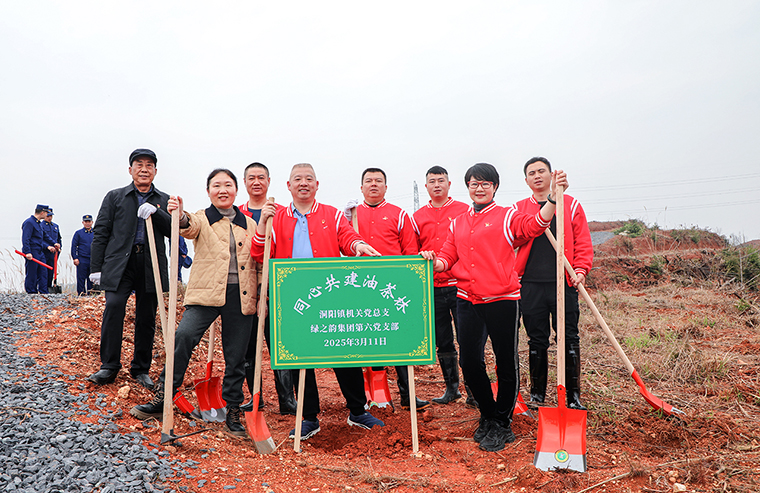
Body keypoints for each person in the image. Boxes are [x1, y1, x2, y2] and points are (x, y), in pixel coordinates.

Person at [420, 162, 567, 452]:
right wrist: (433, 261)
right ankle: (487, 413)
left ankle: (502, 421)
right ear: (468, 188)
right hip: (467, 299)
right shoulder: (458, 222)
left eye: (485, 183)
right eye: (474, 184)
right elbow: (447, 257)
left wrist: (552, 198)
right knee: (469, 362)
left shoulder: (506, 216)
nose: (479, 188)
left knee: (505, 362)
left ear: (494, 187)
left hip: (502, 300)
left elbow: (536, 225)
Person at [252, 163, 384, 440]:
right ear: (288, 186)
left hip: (330, 296)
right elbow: (258, 253)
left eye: (309, 179)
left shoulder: (331, 214)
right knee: (301, 357)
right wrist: (262, 223)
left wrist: (358, 245)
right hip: (293, 299)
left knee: (344, 350)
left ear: (317, 184)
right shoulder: (277, 218)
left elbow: (348, 238)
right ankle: (309, 417)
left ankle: (357, 410)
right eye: (298, 179)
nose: (303, 183)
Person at [131, 168, 258, 437]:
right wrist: (179, 214)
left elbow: (258, 259)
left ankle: (232, 409)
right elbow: (188, 226)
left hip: (241, 296)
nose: (222, 190)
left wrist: (262, 297)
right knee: (184, 336)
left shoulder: (250, 224)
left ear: (236, 190)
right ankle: (165, 395)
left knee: (236, 356)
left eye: (228, 185)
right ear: (208, 191)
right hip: (206, 294)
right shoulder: (203, 218)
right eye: (216, 186)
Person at [344, 167, 430, 411]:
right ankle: (371, 393)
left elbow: (410, 252)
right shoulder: (351, 216)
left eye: (378, 181)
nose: (373, 184)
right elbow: (342, 247)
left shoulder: (399, 214)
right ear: (361, 187)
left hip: (391, 288)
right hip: (361, 287)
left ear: (385, 186)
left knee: (398, 336)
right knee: (367, 335)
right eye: (369, 181)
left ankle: (407, 394)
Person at [513, 157, 593, 410]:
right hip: (530, 284)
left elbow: (582, 242)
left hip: (564, 281)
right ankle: (537, 395)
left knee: (569, 337)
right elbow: (513, 239)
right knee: (536, 339)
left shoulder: (571, 205)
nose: (537, 176)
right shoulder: (518, 209)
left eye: (541, 171)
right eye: (531, 173)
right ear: (526, 180)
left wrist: (580, 270)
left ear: (551, 175)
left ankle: (573, 396)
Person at [87, 149, 170, 390]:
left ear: (155, 171)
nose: (144, 169)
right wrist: (96, 268)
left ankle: (141, 369)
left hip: (150, 263)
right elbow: (101, 232)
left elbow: (172, 230)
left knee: (146, 316)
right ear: (130, 169)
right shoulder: (115, 197)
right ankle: (109, 365)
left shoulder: (164, 199)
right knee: (113, 307)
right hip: (120, 264)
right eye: (139, 164)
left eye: (149, 165)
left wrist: (158, 212)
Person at [238, 162, 296, 416]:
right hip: (246, 287)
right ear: (244, 182)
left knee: (279, 344)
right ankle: (255, 396)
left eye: (261, 177)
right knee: (249, 345)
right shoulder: (238, 214)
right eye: (251, 178)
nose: (256, 182)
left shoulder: (281, 212)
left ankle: (287, 399)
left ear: (269, 181)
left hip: (275, 287)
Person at [412, 166, 471, 405]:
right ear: (426, 186)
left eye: (441, 180)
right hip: (432, 288)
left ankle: (474, 391)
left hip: (460, 284)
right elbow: (413, 249)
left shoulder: (464, 211)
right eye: (432, 181)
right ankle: (452, 388)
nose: (437, 185)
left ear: (449, 184)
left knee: (467, 338)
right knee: (443, 340)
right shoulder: (418, 217)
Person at [21, 204, 55, 294]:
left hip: (40, 251)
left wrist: (54, 243)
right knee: (32, 272)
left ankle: (44, 292)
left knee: (43, 272)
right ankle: (31, 292)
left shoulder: (38, 223)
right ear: (42, 212)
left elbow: (45, 236)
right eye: (46, 213)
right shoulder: (29, 222)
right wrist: (27, 252)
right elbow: (26, 238)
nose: (47, 215)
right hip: (32, 251)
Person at [71, 215, 95, 295]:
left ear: (92, 222)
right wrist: (75, 258)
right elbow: (74, 246)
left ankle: (91, 294)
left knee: (91, 278)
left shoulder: (96, 233)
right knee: (81, 278)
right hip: (82, 259)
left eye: (89, 221)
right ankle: (81, 294)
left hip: (92, 259)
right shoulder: (78, 233)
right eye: (86, 222)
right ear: (83, 222)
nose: (87, 223)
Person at [42, 208, 62, 289]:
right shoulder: (41, 226)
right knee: (43, 271)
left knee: (51, 271)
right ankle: (43, 288)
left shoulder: (55, 226)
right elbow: (40, 239)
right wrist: (47, 246)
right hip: (44, 252)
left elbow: (59, 239)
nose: (49, 218)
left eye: (51, 216)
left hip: (53, 254)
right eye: (48, 216)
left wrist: (59, 248)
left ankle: (49, 288)